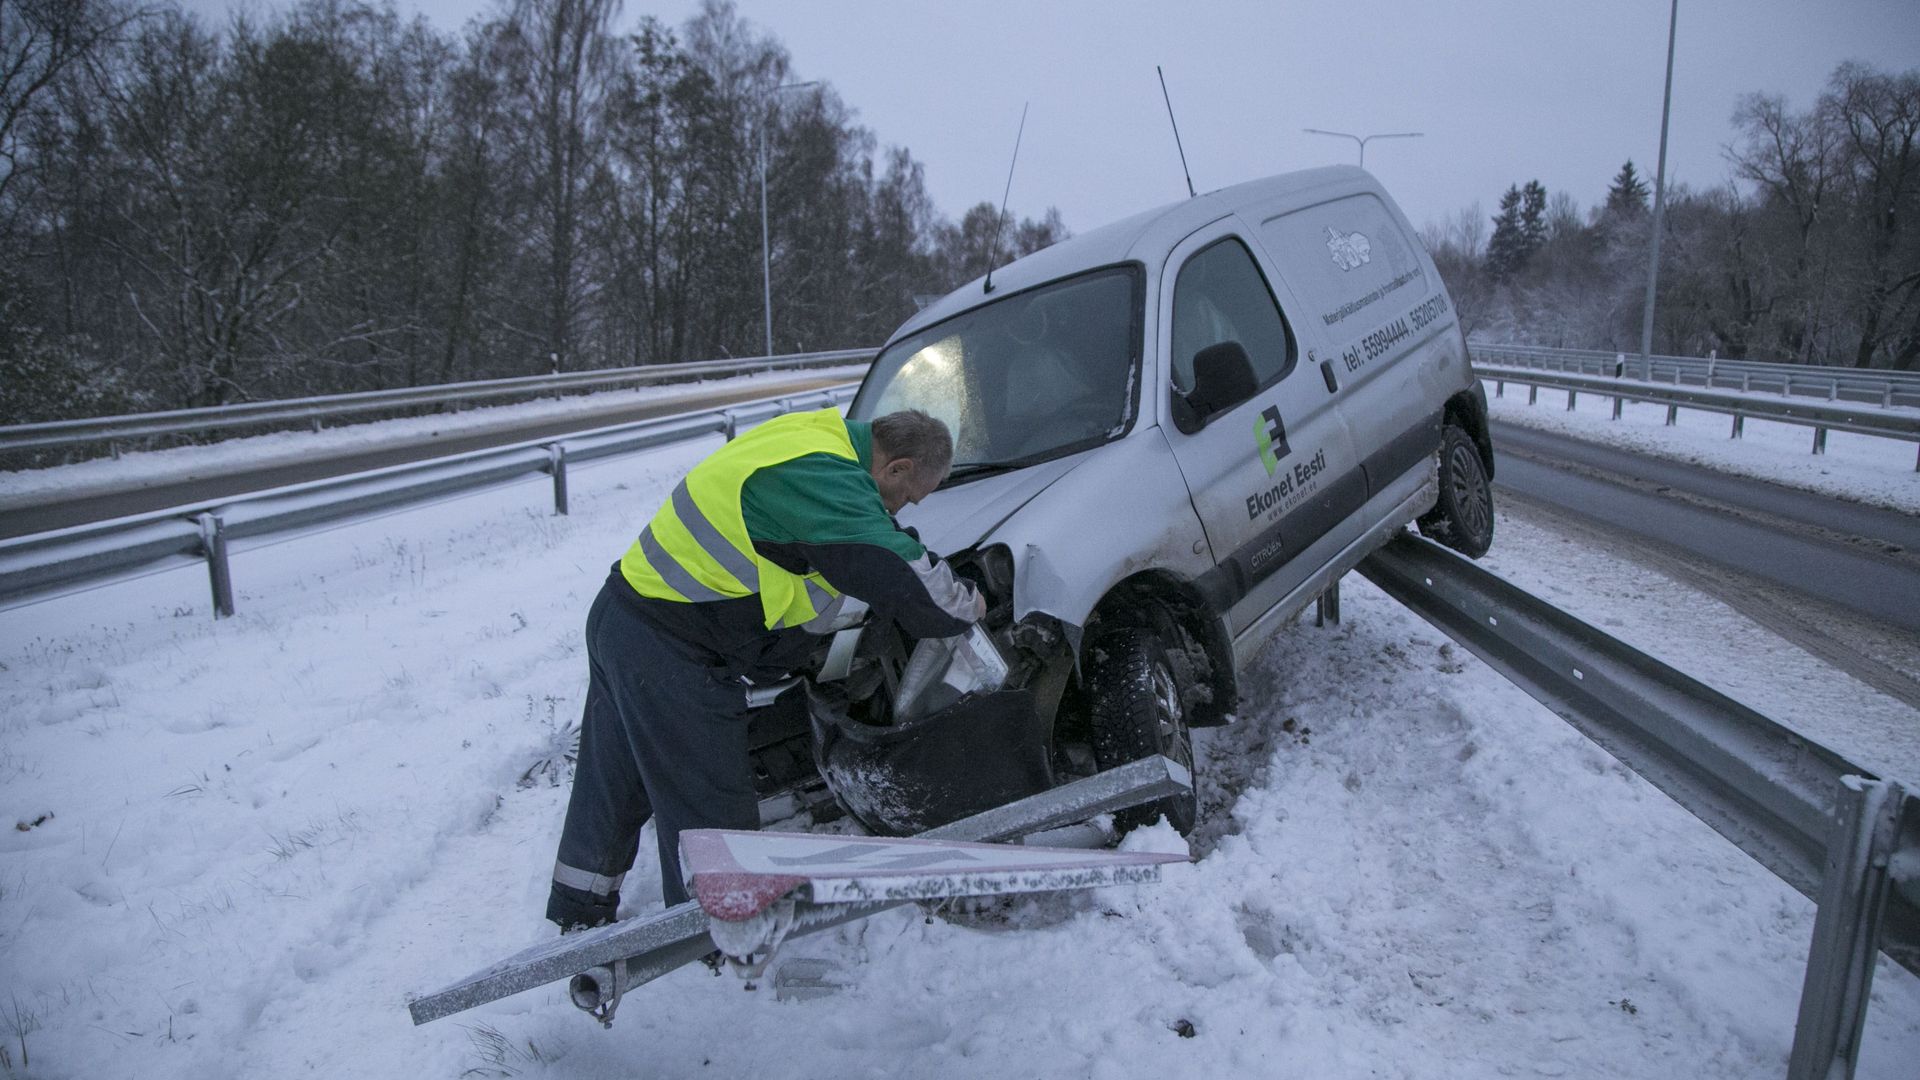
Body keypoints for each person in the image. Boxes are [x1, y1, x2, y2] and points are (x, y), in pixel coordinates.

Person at [546, 407, 985, 931]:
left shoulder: (816, 438)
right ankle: (717, 937)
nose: (903, 507)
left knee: (616, 778)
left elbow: (873, 535)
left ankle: (578, 911)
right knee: (709, 810)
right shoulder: (826, 480)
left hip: (623, 616)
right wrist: (969, 604)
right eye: (910, 495)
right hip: (671, 648)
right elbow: (898, 574)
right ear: (896, 468)